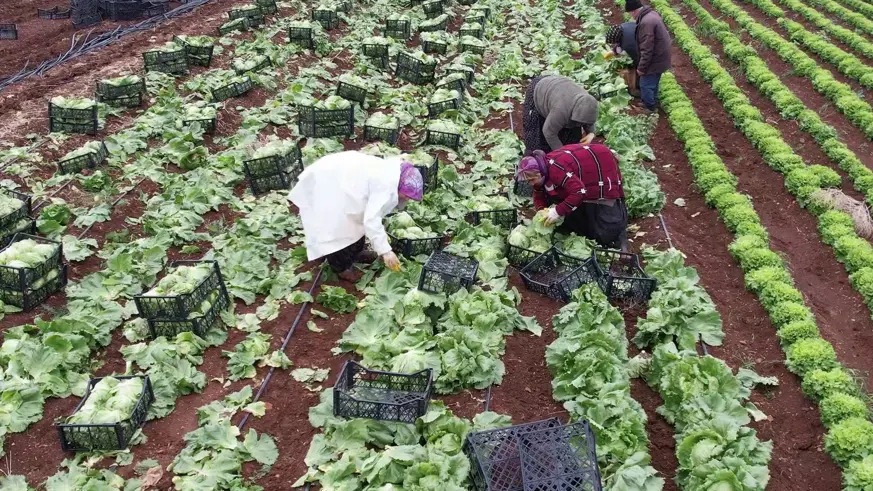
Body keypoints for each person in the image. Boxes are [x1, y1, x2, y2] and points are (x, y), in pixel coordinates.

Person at [289, 151, 424, 281]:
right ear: (401, 186)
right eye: (407, 195)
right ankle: (341, 268)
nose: (407, 199)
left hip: (343, 177)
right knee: (337, 229)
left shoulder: (394, 173)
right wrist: (386, 252)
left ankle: (356, 252)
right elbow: (372, 220)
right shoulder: (385, 186)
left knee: (355, 223)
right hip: (330, 183)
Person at [516, 143, 629, 251]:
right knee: (572, 213)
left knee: (605, 231)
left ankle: (620, 238)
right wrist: (542, 211)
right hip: (579, 172)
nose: (531, 183)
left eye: (532, 180)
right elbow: (538, 192)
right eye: (529, 181)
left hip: (600, 161)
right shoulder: (541, 175)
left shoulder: (555, 169)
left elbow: (579, 192)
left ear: (541, 173)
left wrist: (557, 211)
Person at [522, 75, 599, 155]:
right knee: (537, 140)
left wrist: (591, 133)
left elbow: (588, 120)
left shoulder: (588, 101)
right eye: (578, 122)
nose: (580, 125)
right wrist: (563, 154)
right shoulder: (560, 110)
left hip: (561, 89)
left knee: (572, 140)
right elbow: (549, 132)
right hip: (540, 88)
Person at [626, 0, 672, 112]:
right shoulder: (650, 15)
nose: (630, 16)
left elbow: (647, 48)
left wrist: (641, 68)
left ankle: (649, 108)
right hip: (661, 56)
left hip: (655, 58)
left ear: (634, 11)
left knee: (645, 84)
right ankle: (651, 102)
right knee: (653, 82)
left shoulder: (646, 22)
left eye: (630, 13)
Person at [605, 22, 641, 98]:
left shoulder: (628, 44)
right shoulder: (621, 27)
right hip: (638, 36)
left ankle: (636, 89)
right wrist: (614, 50)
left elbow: (634, 60)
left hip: (644, 47)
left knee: (636, 68)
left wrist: (628, 68)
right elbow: (618, 44)